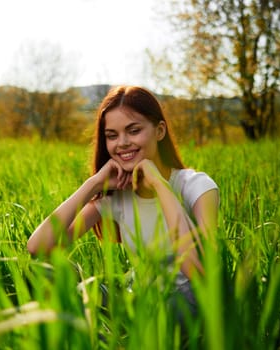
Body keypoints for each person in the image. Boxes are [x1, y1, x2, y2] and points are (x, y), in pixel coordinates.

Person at [27, 85, 219, 323]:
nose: (123, 143)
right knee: (45, 270)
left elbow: (200, 271)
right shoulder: (117, 197)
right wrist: (94, 183)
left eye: (134, 130)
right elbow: (38, 246)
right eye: (112, 135)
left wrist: (159, 184)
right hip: (138, 303)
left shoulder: (197, 186)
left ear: (160, 131)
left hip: (185, 306)